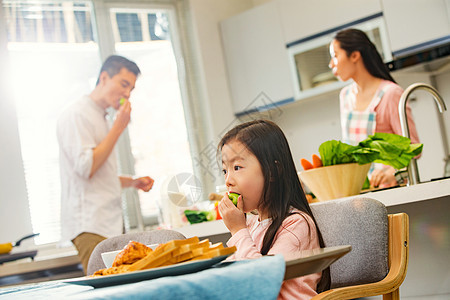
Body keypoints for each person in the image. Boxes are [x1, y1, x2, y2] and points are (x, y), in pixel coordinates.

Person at [57, 55, 154, 273]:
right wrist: (118, 127)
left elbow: (98, 172)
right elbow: (87, 167)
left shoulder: (102, 117)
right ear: (103, 78)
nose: (127, 93)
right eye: (123, 84)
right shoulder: (77, 115)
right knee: (106, 288)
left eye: (131, 88)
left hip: (108, 222)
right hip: (91, 224)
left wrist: (132, 182)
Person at [217, 120, 330, 299]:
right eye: (225, 170)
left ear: (272, 171)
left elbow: (261, 283)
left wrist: (238, 231)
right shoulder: (253, 225)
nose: (228, 180)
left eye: (237, 167)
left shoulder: (296, 224)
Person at [329, 28, 420, 188]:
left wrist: (392, 172)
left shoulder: (391, 93)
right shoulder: (345, 96)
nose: (331, 64)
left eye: (335, 56)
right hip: (360, 191)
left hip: (390, 189)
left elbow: (413, 148)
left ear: (355, 55)